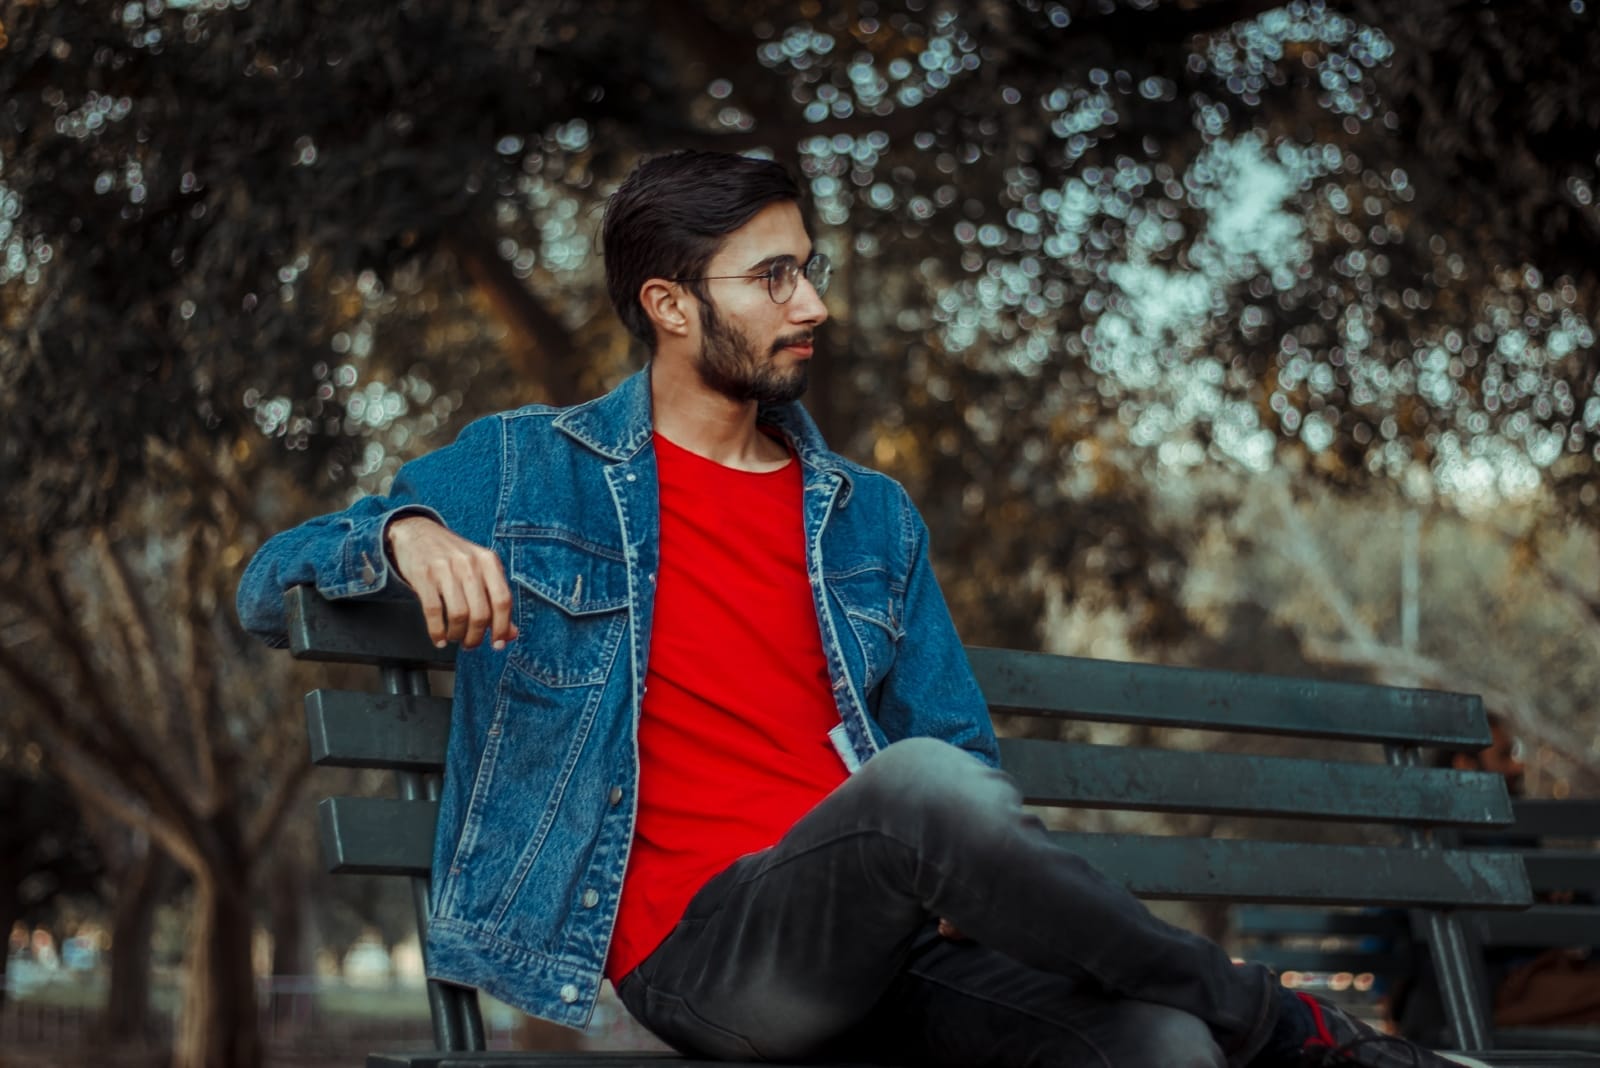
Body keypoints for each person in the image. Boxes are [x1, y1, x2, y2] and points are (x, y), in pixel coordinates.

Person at [238, 150, 1460, 1067]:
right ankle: (1295, 1028)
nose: (811, 303)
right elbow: (267, 579)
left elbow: (960, 752)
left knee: (1160, 1045)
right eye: (773, 276)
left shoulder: (867, 516)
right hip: (706, 964)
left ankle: (1237, 1023)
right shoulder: (527, 469)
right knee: (921, 792)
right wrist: (403, 530)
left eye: (809, 269)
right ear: (670, 305)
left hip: (890, 949)